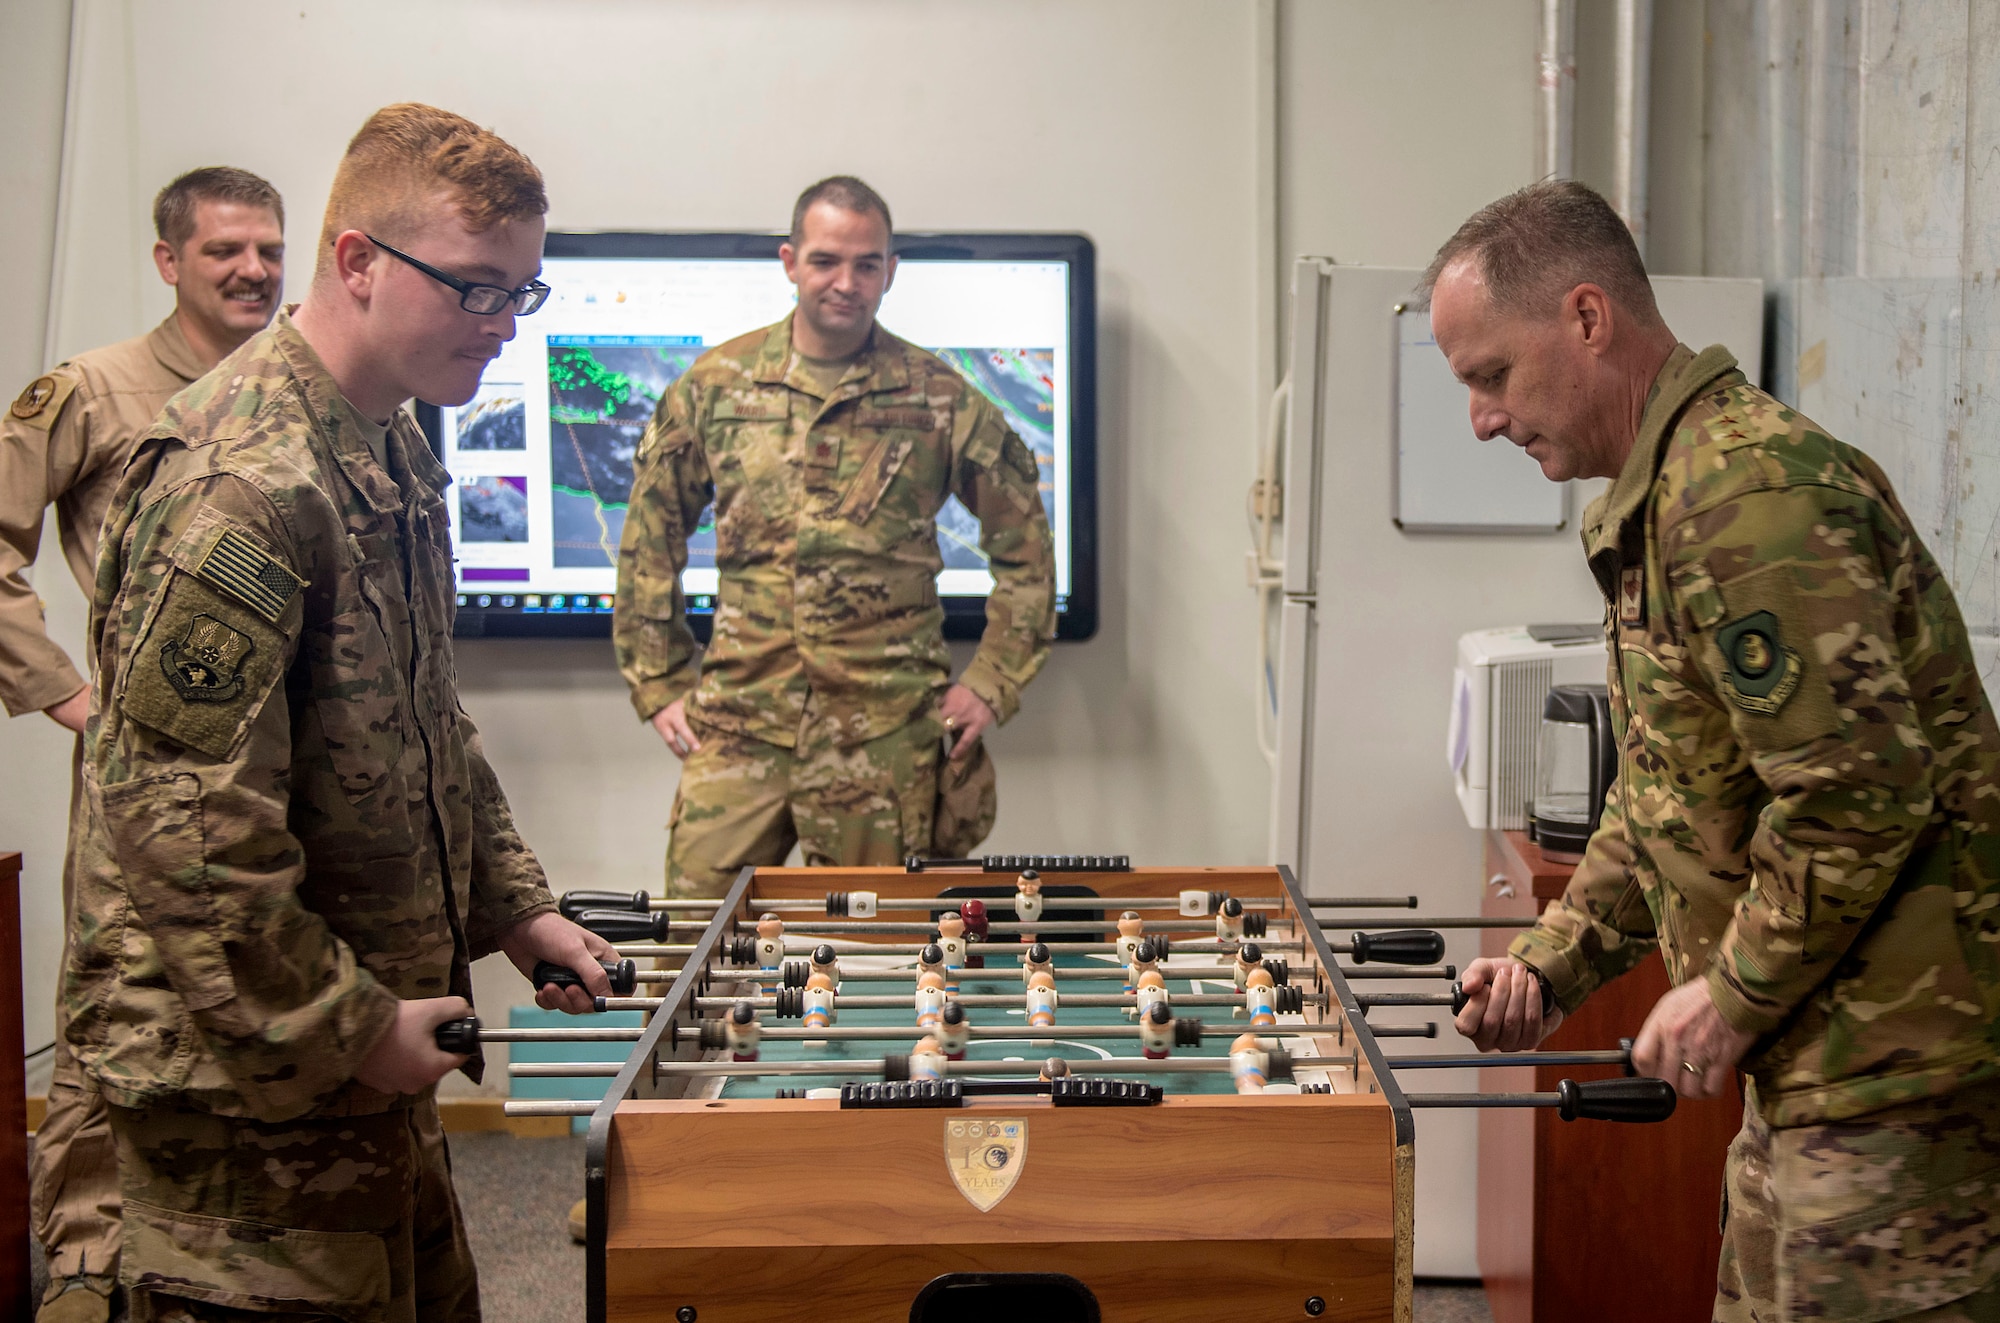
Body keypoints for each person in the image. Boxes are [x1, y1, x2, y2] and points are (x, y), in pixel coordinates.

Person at [64, 103, 615, 1322]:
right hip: (249, 1091)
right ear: (359, 262)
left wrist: (517, 910)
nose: (501, 329)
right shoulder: (243, 484)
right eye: (474, 289)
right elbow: (184, 828)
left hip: (363, 1063)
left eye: (521, 295)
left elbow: (425, 722)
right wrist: (347, 1025)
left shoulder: (388, 445)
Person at [1428, 179, 2000, 1321]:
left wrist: (1729, 993)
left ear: (1586, 319)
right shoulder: (1668, 495)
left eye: (1490, 375)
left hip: (1896, 1090)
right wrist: (1552, 966)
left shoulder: (1743, 493)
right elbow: (1663, 797)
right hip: (1811, 1075)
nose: (1481, 420)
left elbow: (1857, 796)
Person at [1, 165, 286, 1323]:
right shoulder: (94, 391)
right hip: (146, 769)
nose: (253, 271)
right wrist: (64, 691)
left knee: (263, 995)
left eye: (268, 249)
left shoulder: (301, 390)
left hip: (280, 766)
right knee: (118, 1008)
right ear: (169, 260)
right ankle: (85, 1272)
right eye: (224, 250)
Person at [614, 175, 1056, 895]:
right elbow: (649, 536)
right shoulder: (715, 387)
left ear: (891, 270)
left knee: (877, 958)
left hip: (882, 737)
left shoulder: (941, 399)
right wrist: (658, 679)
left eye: (866, 263)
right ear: (790, 261)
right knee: (695, 945)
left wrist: (992, 681)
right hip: (740, 724)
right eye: (825, 260)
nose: (845, 282)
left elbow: (1027, 552)